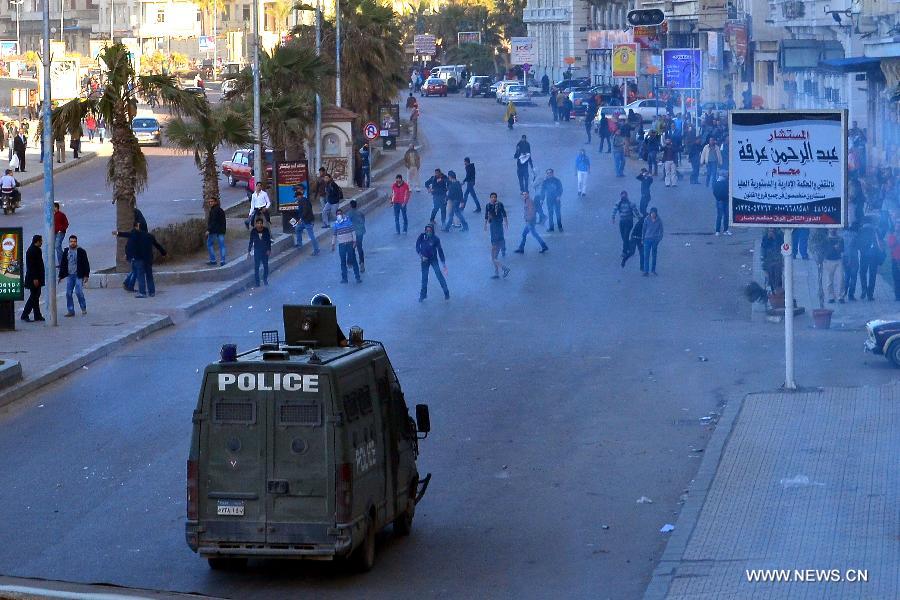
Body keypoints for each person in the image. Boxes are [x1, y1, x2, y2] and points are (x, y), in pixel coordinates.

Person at [114, 222, 167, 297]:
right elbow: (157, 245)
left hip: (138, 259)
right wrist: (164, 253)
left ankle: (142, 293)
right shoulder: (150, 236)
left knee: (140, 276)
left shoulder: (135, 235)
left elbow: (128, 239)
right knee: (149, 276)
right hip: (148, 259)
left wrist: (118, 233)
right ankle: (152, 292)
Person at [416, 223, 449, 301]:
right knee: (424, 278)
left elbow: (440, 251)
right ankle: (423, 295)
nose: (428, 232)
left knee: (439, 276)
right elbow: (417, 246)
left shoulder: (436, 239)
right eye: (427, 230)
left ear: (432, 231)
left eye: (430, 231)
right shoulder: (422, 236)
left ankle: (446, 292)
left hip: (433, 259)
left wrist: (443, 263)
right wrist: (421, 255)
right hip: (424, 260)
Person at [58, 235, 90, 316]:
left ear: (76, 242)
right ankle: (71, 311)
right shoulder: (66, 251)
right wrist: (61, 276)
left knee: (79, 292)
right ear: (69, 242)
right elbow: (63, 264)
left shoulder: (81, 251)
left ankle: (83, 308)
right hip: (70, 275)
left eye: (74, 241)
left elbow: (86, 264)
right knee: (68, 293)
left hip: (78, 275)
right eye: (71, 241)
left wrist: (86, 275)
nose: (73, 243)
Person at [484, 192, 510, 279]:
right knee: (494, 257)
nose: (493, 199)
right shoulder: (489, 206)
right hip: (498, 237)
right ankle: (496, 273)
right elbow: (487, 216)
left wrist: (506, 222)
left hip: (496, 238)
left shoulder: (494, 222)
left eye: (494, 197)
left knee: (493, 257)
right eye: (492, 197)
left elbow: (503, 214)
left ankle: (504, 268)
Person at [331, 208, 360, 283]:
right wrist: (333, 244)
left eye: (340, 214)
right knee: (343, 261)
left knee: (353, 260)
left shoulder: (348, 221)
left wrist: (354, 241)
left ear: (342, 214)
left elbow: (353, 231)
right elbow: (334, 235)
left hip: (350, 243)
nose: (339, 215)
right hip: (342, 245)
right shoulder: (336, 224)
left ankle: (357, 277)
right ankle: (344, 278)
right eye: (337, 214)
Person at [857, 218, 884, 301]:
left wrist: (862, 249)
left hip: (864, 255)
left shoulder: (860, 230)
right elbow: (880, 242)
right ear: (872, 222)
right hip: (874, 255)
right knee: (872, 275)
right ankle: (870, 294)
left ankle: (864, 289)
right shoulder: (876, 230)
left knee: (862, 272)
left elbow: (857, 242)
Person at [20, 235, 45, 322]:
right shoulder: (32, 251)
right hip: (34, 278)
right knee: (34, 297)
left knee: (36, 296)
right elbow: (31, 266)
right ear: (37, 241)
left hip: (36, 277)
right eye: (41, 241)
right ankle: (25, 314)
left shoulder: (36, 250)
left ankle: (37, 315)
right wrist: (35, 278)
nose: (42, 243)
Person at [611, 191, 640, 258]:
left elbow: (636, 211)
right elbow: (614, 210)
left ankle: (624, 251)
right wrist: (613, 217)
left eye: (624, 196)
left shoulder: (631, 204)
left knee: (626, 236)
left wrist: (639, 219)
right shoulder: (618, 203)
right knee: (623, 237)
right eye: (622, 196)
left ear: (627, 196)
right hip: (622, 222)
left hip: (629, 222)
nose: (623, 197)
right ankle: (629, 247)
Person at [293, 189, 320, 254]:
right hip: (305, 220)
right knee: (297, 229)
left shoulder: (303, 201)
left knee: (311, 235)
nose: (296, 199)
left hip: (308, 221)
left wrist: (300, 219)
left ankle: (316, 249)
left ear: (299, 196)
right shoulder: (303, 200)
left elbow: (305, 211)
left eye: (296, 197)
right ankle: (299, 244)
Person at [247, 217, 272, 286]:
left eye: (260, 223)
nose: (259, 225)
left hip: (265, 251)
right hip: (257, 250)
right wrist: (249, 251)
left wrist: (269, 249)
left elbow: (268, 241)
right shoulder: (253, 231)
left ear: (262, 224)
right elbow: (251, 241)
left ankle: (265, 279)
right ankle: (257, 282)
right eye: (258, 223)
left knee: (266, 266)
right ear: (256, 224)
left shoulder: (266, 230)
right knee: (256, 267)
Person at [824, 229, 845, 304]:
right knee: (829, 280)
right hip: (828, 260)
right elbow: (824, 250)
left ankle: (841, 297)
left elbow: (842, 250)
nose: (832, 230)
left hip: (838, 260)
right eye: (831, 229)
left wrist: (838, 248)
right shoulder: (826, 239)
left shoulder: (840, 239)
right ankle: (831, 297)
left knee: (841, 279)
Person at [641, 207, 664, 276]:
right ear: (650, 213)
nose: (653, 215)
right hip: (647, 239)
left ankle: (653, 270)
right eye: (652, 213)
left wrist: (659, 239)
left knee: (654, 255)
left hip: (655, 240)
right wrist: (643, 239)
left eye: (654, 213)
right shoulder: (646, 219)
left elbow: (661, 230)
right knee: (646, 256)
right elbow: (644, 230)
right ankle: (646, 271)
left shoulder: (659, 220)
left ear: (656, 213)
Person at [346, 199, 366, 271]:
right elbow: (363, 221)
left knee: (351, 248)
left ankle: (350, 263)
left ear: (350, 206)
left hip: (352, 234)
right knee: (360, 248)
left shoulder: (348, 214)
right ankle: (361, 263)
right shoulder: (360, 213)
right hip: (360, 232)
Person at [205, 197, 227, 265]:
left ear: (215, 202)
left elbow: (213, 221)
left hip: (214, 231)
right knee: (222, 246)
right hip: (221, 231)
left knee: (209, 244)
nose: (210, 203)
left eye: (212, 201)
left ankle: (213, 260)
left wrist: (209, 230)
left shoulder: (213, 211)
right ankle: (222, 261)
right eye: (209, 202)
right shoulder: (221, 210)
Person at [843, 223, 860, 301]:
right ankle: (851, 294)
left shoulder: (843, 235)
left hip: (844, 257)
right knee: (853, 277)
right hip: (853, 258)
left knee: (846, 276)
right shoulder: (856, 236)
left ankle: (843, 292)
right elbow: (854, 247)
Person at [888, 223, 900, 301]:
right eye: (897, 225)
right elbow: (891, 246)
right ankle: (898, 295)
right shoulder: (892, 236)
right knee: (896, 278)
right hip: (895, 259)